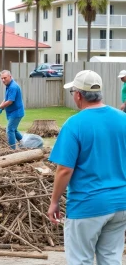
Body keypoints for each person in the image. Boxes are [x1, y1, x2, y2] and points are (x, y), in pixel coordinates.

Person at [47, 70, 126, 265]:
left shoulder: (74, 124)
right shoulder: (122, 119)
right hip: (120, 204)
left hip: (88, 204)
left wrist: (54, 201)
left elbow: (65, 169)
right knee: (110, 259)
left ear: (78, 94)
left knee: (80, 260)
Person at [0, 70, 24, 149]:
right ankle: (24, 143)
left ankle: (12, 149)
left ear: (10, 77)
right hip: (12, 112)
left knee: (9, 130)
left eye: (5, 78)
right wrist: (0, 107)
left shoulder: (13, 87)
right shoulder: (8, 86)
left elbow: (10, 101)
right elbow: (6, 99)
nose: (3, 80)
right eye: (2, 78)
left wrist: (0, 107)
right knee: (14, 130)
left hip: (16, 113)